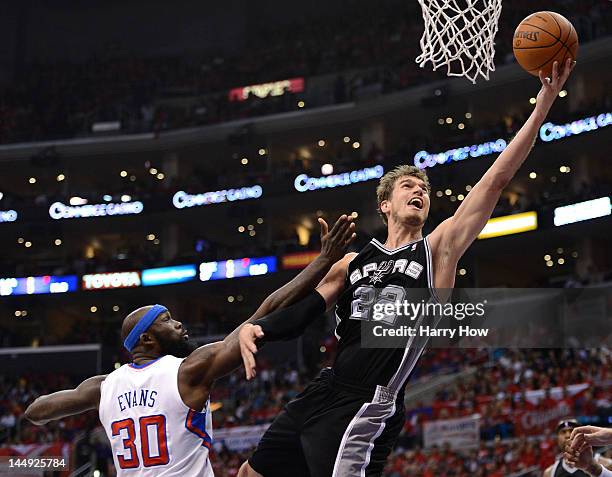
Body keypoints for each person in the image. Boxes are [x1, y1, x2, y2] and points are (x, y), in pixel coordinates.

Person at [238, 59, 576, 477]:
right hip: (324, 389)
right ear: (385, 204)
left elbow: (495, 182)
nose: (419, 190)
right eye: (408, 186)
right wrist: (260, 328)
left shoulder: (438, 250)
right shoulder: (352, 261)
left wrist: (542, 107)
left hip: (369, 400)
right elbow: (306, 309)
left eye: (425, 189)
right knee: (249, 474)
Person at [23, 214, 356, 476]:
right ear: (146, 338)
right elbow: (265, 312)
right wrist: (322, 260)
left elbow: (36, 412)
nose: (178, 322)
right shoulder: (188, 370)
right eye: (166, 319)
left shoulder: (103, 387)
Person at [544, 419, 612, 477]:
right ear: (557, 439)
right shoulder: (550, 473)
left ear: (582, 433)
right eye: (563, 432)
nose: (567, 435)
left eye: (571, 430)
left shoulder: (606, 463)